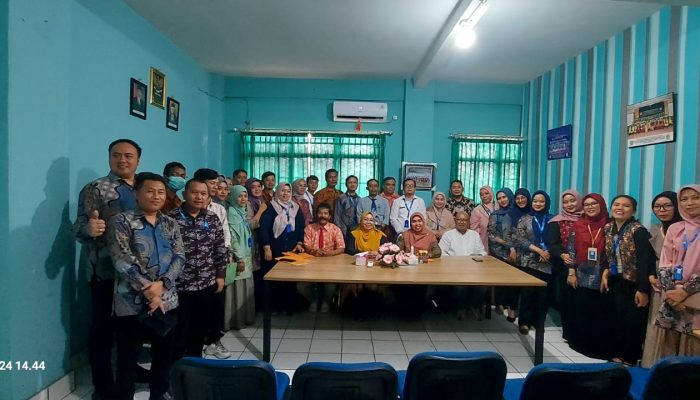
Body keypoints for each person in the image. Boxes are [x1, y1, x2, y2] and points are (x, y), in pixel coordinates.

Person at [73, 139, 140, 399]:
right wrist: (87, 230)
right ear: (109, 157)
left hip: (137, 274)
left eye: (128, 155)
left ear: (138, 160)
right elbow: (77, 226)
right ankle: (102, 387)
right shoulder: (96, 188)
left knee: (131, 333)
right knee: (102, 330)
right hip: (105, 272)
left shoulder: (145, 188)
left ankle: (127, 384)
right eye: (116, 155)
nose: (122, 160)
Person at [107, 172, 184, 400]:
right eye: (150, 191)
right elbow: (120, 258)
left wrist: (162, 285)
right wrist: (149, 289)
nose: (156, 196)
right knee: (128, 358)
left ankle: (158, 394)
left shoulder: (170, 223)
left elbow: (179, 256)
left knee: (164, 356)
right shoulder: (121, 221)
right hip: (130, 302)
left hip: (167, 301)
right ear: (136, 193)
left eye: (161, 192)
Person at [169, 179, 229, 360]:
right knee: (179, 330)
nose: (198, 197)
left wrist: (220, 274)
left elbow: (219, 247)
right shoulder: (171, 219)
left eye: (203, 194)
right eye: (194, 192)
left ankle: (195, 366)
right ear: (185, 194)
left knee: (199, 327)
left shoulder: (211, 218)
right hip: (179, 284)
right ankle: (176, 370)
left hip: (206, 282)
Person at [645, 184, 700, 364]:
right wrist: (670, 293)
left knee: (692, 346)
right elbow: (665, 263)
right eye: (684, 199)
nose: (689, 203)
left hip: (695, 297)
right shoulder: (675, 228)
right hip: (671, 297)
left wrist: (684, 292)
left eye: (695, 197)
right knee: (669, 344)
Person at [602, 194, 653, 365]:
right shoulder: (608, 228)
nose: (620, 208)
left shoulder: (639, 231)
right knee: (618, 319)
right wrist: (605, 271)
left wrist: (643, 289)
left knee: (633, 322)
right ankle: (617, 354)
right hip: (617, 280)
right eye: (616, 204)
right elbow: (606, 254)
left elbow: (645, 261)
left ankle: (631, 357)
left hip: (635, 283)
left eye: (626, 206)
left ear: (633, 211)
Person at [566, 193, 613, 359]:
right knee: (582, 309)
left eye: (594, 204)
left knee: (600, 312)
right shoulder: (578, 225)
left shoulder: (610, 225)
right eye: (586, 205)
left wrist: (607, 271)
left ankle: (597, 348)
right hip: (582, 273)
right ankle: (580, 344)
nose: (590, 207)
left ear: (601, 205)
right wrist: (571, 271)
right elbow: (571, 249)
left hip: (604, 274)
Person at [191, 168, 232, 357]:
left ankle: (214, 342)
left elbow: (224, 237)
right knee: (193, 315)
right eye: (213, 183)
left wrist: (224, 260)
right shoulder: (182, 211)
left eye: (217, 183)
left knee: (215, 306)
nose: (216, 187)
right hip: (189, 274)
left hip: (214, 267)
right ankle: (193, 348)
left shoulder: (218, 209)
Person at [641, 191, 683, 366]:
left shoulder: (685, 230)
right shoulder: (654, 230)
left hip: (682, 285)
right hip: (658, 283)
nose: (662, 210)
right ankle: (653, 362)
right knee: (657, 322)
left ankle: (675, 363)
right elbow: (648, 257)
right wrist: (650, 276)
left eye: (667, 205)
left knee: (677, 325)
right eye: (657, 207)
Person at [258, 182, 306, 313]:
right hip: (275, 249)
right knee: (275, 280)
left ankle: (289, 307)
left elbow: (301, 227)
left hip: (291, 250)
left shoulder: (295, 208)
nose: (285, 194)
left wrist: (299, 243)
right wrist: (267, 248)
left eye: (288, 191)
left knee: (290, 280)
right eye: (283, 191)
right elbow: (264, 228)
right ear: (277, 192)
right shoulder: (271, 207)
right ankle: (274, 307)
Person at [513, 190, 554, 335]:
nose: (538, 204)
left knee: (543, 294)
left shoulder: (552, 220)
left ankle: (539, 322)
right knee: (527, 292)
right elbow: (520, 239)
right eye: (535, 201)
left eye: (541, 201)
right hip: (529, 260)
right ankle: (524, 322)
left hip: (547, 262)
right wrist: (539, 251)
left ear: (546, 203)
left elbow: (556, 239)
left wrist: (547, 252)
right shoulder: (525, 219)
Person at [546, 189, 582, 340]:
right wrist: (563, 255)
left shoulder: (586, 219)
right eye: (566, 202)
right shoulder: (556, 221)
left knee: (582, 299)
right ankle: (569, 332)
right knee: (567, 298)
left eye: (572, 201)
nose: (569, 204)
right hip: (564, 264)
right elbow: (552, 243)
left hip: (585, 266)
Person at [440, 211, 487, 320]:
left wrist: (475, 258)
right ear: (455, 221)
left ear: (468, 222)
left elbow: (482, 252)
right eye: (459, 219)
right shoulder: (448, 235)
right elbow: (441, 253)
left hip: (473, 270)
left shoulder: (474, 235)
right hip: (454, 270)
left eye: (464, 220)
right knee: (460, 286)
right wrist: (454, 262)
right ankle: (460, 308)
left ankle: (473, 307)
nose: (462, 222)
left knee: (482, 287)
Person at [300, 202, 345, 312]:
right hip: (310, 264)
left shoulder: (335, 229)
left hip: (330, 265)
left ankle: (326, 301)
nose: (323, 216)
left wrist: (331, 253)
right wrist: (315, 251)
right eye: (320, 213)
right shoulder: (309, 228)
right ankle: (313, 300)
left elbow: (341, 248)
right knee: (301, 285)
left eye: (325, 213)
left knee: (330, 285)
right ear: (316, 215)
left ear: (329, 216)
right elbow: (306, 246)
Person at [344, 211, 390, 317]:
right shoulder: (354, 233)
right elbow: (349, 249)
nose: (368, 222)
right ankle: (357, 309)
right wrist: (366, 253)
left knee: (374, 285)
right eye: (365, 219)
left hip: (375, 266)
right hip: (357, 265)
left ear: (374, 222)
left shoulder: (380, 235)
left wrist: (378, 253)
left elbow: (386, 250)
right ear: (361, 220)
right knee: (354, 284)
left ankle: (373, 310)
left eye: (371, 220)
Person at [225, 185, 256, 330]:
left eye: (245, 195)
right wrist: (240, 258)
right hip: (239, 257)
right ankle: (234, 321)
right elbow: (233, 239)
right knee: (236, 289)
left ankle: (245, 318)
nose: (243, 199)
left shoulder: (241, 212)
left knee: (245, 287)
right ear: (232, 197)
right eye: (239, 196)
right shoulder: (231, 213)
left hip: (246, 254)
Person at [488, 188, 519, 322]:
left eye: (504, 197)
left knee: (515, 283)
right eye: (499, 198)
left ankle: (512, 309)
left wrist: (514, 249)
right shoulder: (495, 214)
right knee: (500, 281)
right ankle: (499, 304)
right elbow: (491, 234)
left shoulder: (518, 214)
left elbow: (523, 235)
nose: (502, 200)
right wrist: (509, 247)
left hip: (519, 252)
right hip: (500, 252)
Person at [470, 185, 498, 254]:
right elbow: (474, 229)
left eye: (486, 193)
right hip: (484, 240)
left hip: (499, 240)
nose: (484, 196)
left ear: (491, 193)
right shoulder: (477, 210)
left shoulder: (498, 206)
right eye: (481, 195)